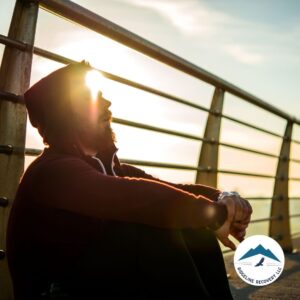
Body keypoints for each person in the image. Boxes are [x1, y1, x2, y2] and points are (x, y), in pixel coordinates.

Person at [6, 62, 252, 299]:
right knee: (151, 227)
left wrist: (224, 200)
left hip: (98, 285)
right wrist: (215, 214)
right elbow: (140, 199)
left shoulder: (111, 168)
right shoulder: (53, 172)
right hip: (56, 293)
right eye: (91, 97)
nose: (107, 103)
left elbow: (174, 191)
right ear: (64, 113)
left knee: (191, 226)